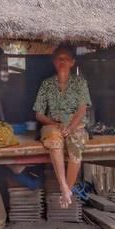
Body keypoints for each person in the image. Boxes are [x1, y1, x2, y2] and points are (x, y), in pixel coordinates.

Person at [33, 44, 91, 207]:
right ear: (54, 62)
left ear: (72, 62)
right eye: (59, 58)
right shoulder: (47, 84)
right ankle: (64, 187)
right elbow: (38, 113)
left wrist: (71, 127)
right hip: (54, 125)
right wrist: (54, 123)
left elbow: (82, 109)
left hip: (76, 126)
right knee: (54, 140)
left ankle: (68, 190)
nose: (62, 61)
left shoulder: (80, 83)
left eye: (66, 58)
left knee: (76, 147)